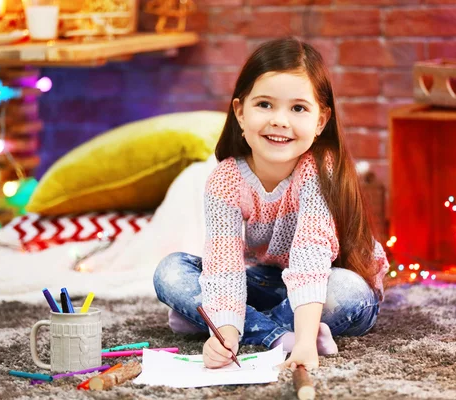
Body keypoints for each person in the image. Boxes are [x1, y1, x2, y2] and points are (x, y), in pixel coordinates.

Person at [153, 37, 390, 371]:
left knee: (346, 291)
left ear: (320, 121)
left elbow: (310, 257)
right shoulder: (225, 180)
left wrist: (306, 345)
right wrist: (226, 333)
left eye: (298, 108)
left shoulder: (320, 171)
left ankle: (220, 320)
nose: (280, 120)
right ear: (240, 111)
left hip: (329, 280)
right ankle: (277, 335)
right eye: (265, 104)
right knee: (171, 271)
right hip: (269, 282)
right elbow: (225, 266)